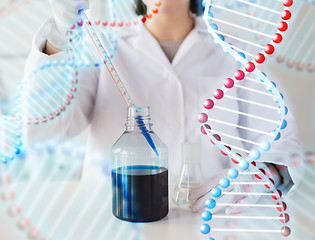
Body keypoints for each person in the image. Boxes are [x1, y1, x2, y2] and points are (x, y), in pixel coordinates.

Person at [24, 0, 304, 213]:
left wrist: (261, 175)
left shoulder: (237, 48)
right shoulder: (99, 45)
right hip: (113, 221)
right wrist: (60, 34)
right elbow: (45, 130)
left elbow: (282, 146)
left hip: (209, 221)